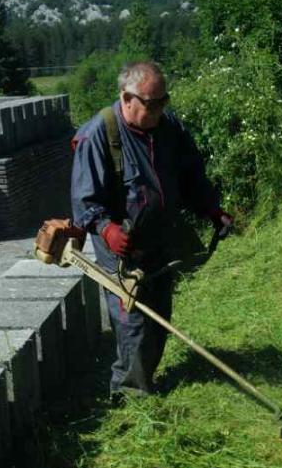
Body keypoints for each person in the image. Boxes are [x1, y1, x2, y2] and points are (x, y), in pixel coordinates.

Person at [70, 61, 234, 397]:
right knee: (133, 321)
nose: (158, 109)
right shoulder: (98, 135)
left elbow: (191, 175)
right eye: (150, 103)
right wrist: (106, 230)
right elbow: (84, 200)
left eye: (163, 101)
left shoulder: (168, 126)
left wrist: (211, 209)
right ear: (126, 97)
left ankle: (144, 379)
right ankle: (130, 397)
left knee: (160, 312)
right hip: (120, 246)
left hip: (160, 236)